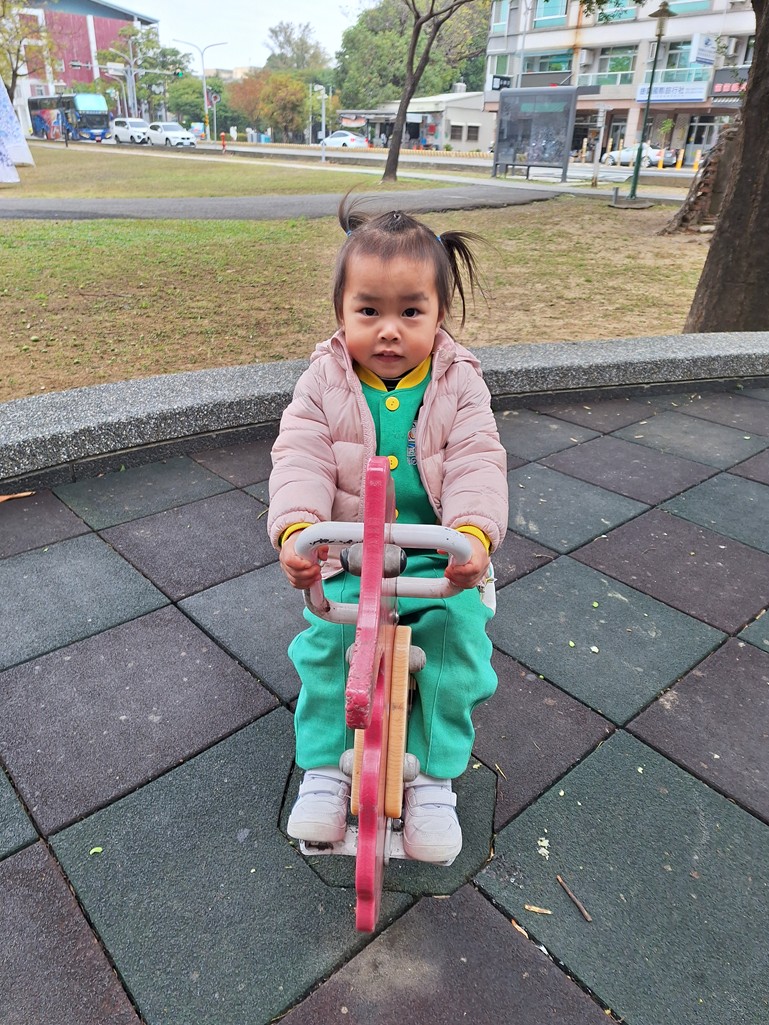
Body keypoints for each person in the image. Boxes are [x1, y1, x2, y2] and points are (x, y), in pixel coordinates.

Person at [268, 197, 508, 865]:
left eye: (411, 312)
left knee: (457, 644)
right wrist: (297, 530)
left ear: (439, 315)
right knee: (326, 645)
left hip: (436, 555)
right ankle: (325, 769)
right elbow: (301, 457)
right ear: (341, 313)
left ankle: (432, 777)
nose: (389, 331)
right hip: (348, 551)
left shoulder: (459, 385)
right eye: (369, 311)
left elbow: (477, 460)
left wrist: (473, 534)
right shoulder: (323, 382)